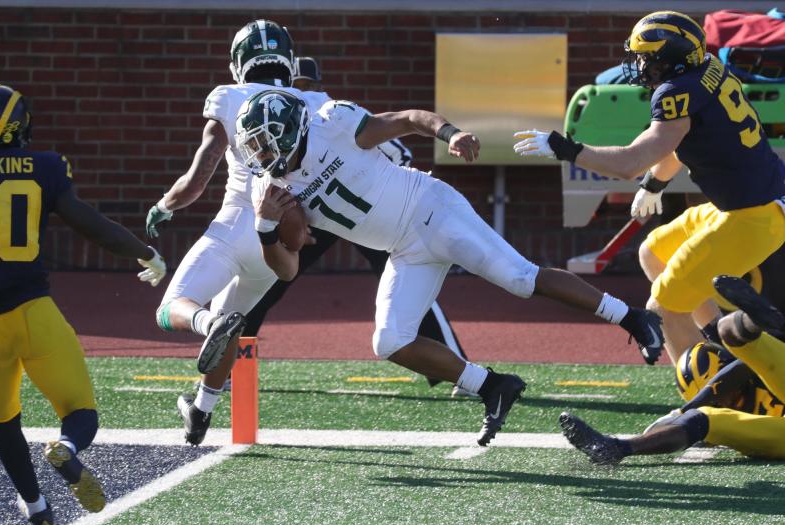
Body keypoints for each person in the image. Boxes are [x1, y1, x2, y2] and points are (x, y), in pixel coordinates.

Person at [237, 89, 664, 445]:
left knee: (520, 277)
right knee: (389, 340)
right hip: (404, 249)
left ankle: (632, 316)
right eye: (252, 145)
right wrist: (266, 228)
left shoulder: (335, 124)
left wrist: (451, 133)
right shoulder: (271, 189)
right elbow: (287, 269)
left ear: (289, 128)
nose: (259, 152)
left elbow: (407, 118)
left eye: (263, 140)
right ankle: (493, 386)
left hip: (431, 210)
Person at [0, 84, 167, 525]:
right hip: (33, 312)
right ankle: (67, 448)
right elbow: (90, 224)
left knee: (3, 419)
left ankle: (36, 506)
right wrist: (145, 252)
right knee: (80, 411)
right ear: (21, 125)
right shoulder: (44, 166)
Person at [515, 11, 785, 365]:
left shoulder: (676, 91)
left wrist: (567, 149)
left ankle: (706, 396)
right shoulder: (708, 69)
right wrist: (655, 184)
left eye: (645, 56)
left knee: (665, 307)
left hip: (753, 217)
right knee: (654, 252)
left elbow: (630, 161)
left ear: (667, 60)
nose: (639, 64)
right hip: (757, 204)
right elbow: (678, 142)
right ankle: (727, 352)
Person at [142, 20, 326, 446]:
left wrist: (164, 205)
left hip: (235, 224)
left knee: (173, 308)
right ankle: (201, 411)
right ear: (288, 61)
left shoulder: (228, 97)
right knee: (234, 328)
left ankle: (207, 323)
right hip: (275, 242)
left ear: (238, 64)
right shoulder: (314, 102)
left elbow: (198, 177)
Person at [243, 56, 468, 391]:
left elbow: (398, 151)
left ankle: (453, 365)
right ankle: (237, 355)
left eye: (307, 87)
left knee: (407, 279)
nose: (302, 91)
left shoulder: (330, 117)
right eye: (297, 86)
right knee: (270, 279)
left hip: (368, 206)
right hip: (318, 210)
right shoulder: (277, 120)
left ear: (318, 88)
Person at [561, 275, 785, 464]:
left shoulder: (742, 372)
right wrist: (691, 413)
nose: (729, 403)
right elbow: (701, 421)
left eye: (729, 396)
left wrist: (689, 406)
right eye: (720, 404)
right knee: (703, 419)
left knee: (730, 333)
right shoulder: (719, 414)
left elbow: (741, 366)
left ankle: (758, 320)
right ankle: (616, 448)